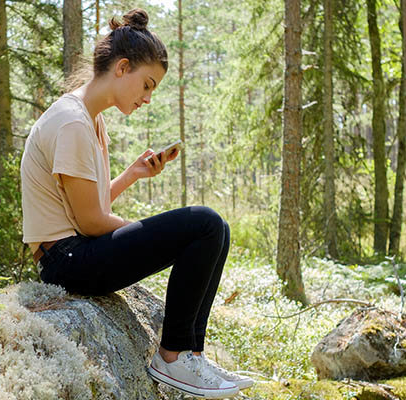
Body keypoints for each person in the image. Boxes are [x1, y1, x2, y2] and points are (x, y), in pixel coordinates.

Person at [19, 8, 254, 399]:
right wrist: (143, 230)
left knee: (218, 230)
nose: (146, 98)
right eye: (146, 85)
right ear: (122, 68)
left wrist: (131, 175)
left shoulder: (90, 121)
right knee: (204, 224)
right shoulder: (73, 122)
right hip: (65, 260)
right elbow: (91, 223)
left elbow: (83, 208)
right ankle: (172, 358)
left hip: (75, 252)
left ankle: (191, 354)